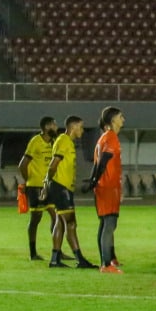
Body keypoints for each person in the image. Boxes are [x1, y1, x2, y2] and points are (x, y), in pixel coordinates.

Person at [42, 115, 95, 269]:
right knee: (71, 223)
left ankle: (55, 259)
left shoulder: (67, 142)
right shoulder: (64, 141)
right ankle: (80, 259)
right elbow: (53, 164)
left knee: (60, 222)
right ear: (73, 127)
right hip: (61, 187)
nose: (82, 131)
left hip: (63, 187)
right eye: (81, 127)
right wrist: (46, 183)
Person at [17, 116, 63, 261]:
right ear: (47, 127)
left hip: (49, 185)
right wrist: (28, 181)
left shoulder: (53, 142)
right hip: (36, 186)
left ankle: (58, 251)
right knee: (36, 219)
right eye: (54, 125)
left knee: (56, 217)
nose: (56, 127)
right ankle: (33, 253)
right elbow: (22, 165)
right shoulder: (35, 141)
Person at [90, 106, 124, 274]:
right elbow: (104, 160)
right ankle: (106, 264)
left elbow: (97, 163)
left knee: (106, 223)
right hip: (108, 186)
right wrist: (95, 180)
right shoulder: (111, 137)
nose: (123, 119)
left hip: (105, 186)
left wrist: (93, 181)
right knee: (109, 224)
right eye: (120, 116)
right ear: (112, 120)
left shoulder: (103, 138)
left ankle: (108, 259)